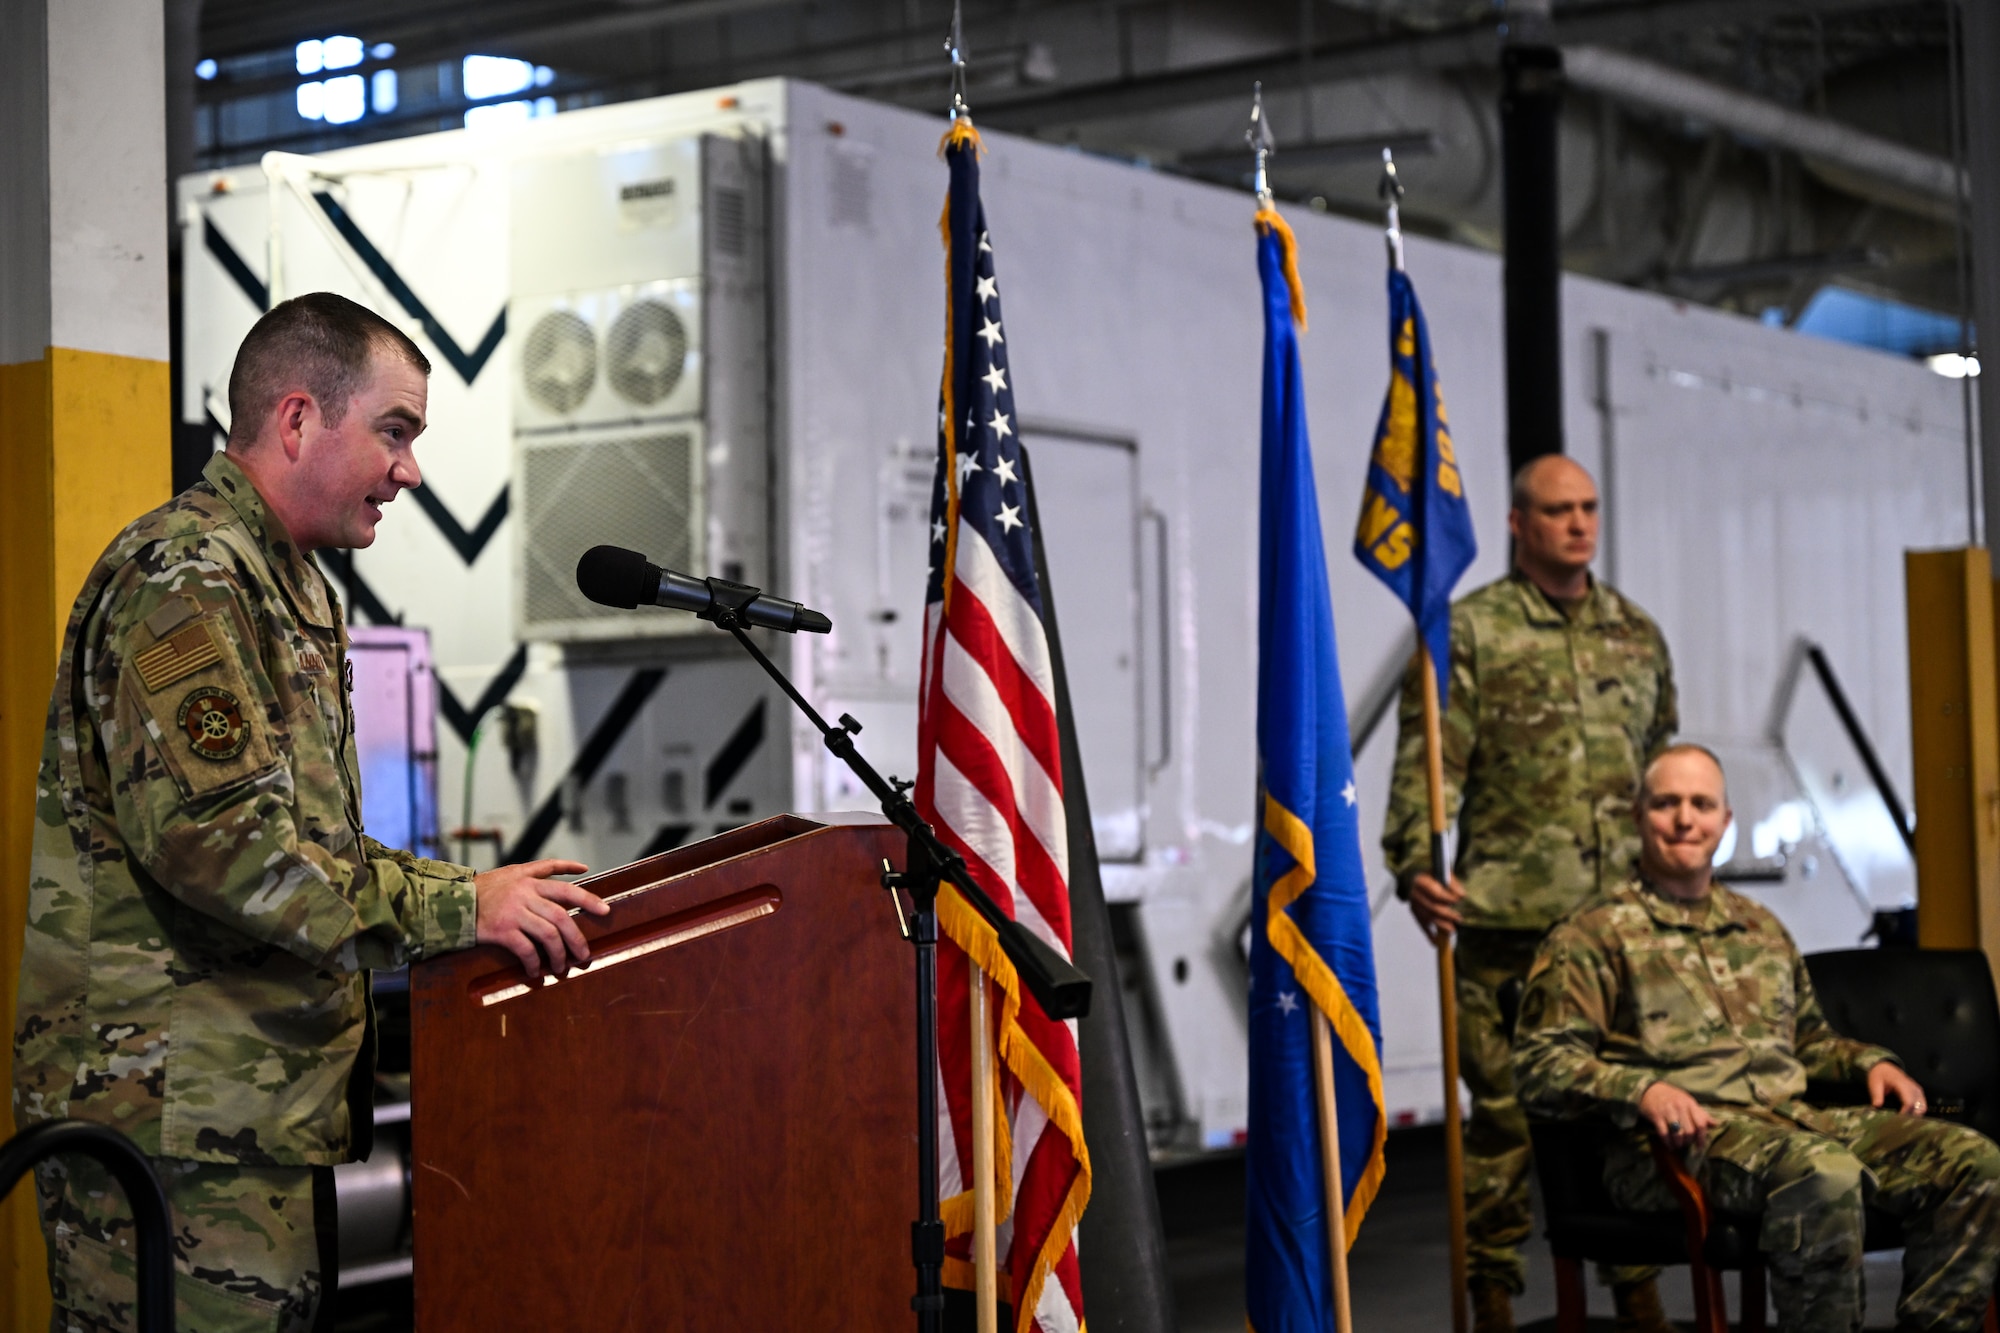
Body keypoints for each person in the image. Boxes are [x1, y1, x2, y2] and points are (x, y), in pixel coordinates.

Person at [11, 293, 609, 1332]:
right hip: (169, 1127)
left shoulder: (290, 584)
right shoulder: (184, 576)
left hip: (247, 1121)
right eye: (394, 430)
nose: (410, 470)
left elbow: (310, 849)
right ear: (296, 421)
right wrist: (461, 905)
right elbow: (235, 856)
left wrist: (461, 900)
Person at [1514, 744, 2000, 1332]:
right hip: (1672, 1148)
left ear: (1726, 821)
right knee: (1822, 1173)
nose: (1685, 819)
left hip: (1790, 1121)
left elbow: (1809, 1039)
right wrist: (1642, 1090)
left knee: (1974, 1162)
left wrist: (1870, 1063)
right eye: (1666, 803)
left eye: (1701, 804)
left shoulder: (1761, 928)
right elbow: (1539, 1064)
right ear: (1638, 816)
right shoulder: (1591, 936)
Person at [1382, 454, 1678, 1333]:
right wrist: (1412, 862)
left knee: (1631, 1110)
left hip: (1622, 923)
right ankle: (1495, 1297)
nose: (1580, 523)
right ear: (1520, 524)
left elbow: (1662, 768)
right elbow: (1429, 765)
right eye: (1559, 510)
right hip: (1509, 922)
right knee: (1506, 1123)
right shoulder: (1469, 632)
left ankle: (1639, 1292)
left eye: (1589, 506)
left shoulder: (1638, 633)